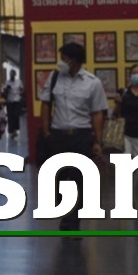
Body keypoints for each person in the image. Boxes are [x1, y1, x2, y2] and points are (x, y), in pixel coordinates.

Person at [38, 41, 107, 232]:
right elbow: (45, 104)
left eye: (65, 59)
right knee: (57, 178)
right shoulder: (54, 78)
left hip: (81, 136)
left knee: (79, 179)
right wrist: (46, 132)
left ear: (74, 60)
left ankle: (73, 221)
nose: (61, 62)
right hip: (58, 135)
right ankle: (64, 208)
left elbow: (98, 113)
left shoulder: (93, 83)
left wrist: (98, 141)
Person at [3, 69, 25, 140]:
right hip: (9, 101)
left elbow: (22, 89)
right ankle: (11, 130)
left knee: (16, 116)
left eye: (13, 74)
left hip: (16, 101)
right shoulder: (7, 82)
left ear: (15, 75)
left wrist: (20, 94)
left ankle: (15, 130)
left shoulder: (19, 82)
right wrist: (7, 89)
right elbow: (4, 91)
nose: (11, 76)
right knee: (10, 116)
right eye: (10, 74)